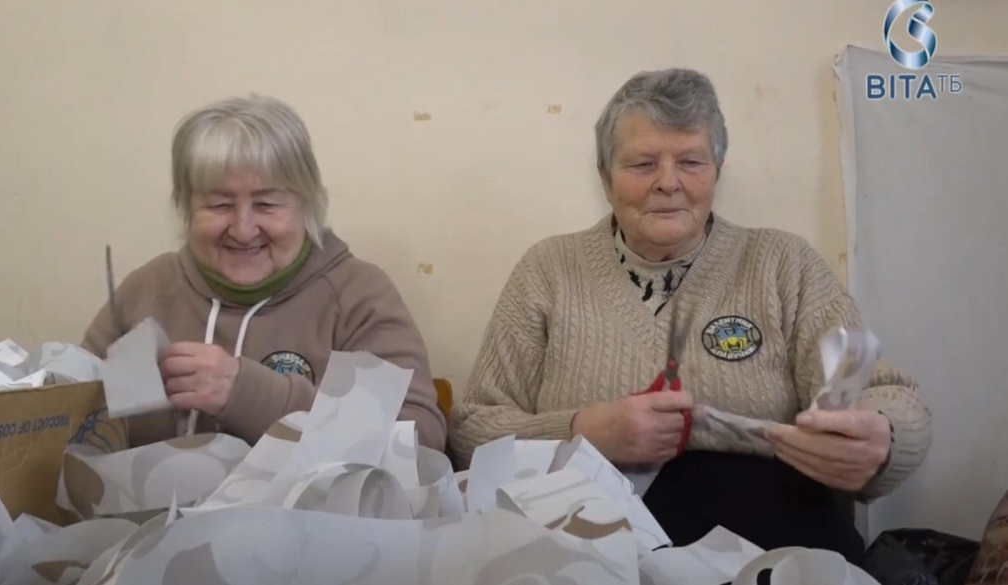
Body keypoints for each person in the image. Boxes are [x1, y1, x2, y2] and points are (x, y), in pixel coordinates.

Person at [448, 68, 931, 561]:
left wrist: (881, 437)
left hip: (774, 550)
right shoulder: (547, 270)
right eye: (641, 164)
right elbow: (473, 430)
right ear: (605, 178)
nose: (668, 183)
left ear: (717, 171)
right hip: (591, 555)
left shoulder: (785, 264)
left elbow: (886, 395)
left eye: (691, 161)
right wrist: (582, 432)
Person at [81, 94, 446, 452]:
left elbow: (420, 442)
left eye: (267, 204)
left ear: (307, 204)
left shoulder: (357, 295)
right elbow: (66, 420)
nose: (243, 229)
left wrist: (249, 394)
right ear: (185, 207)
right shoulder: (147, 289)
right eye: (219, 204)